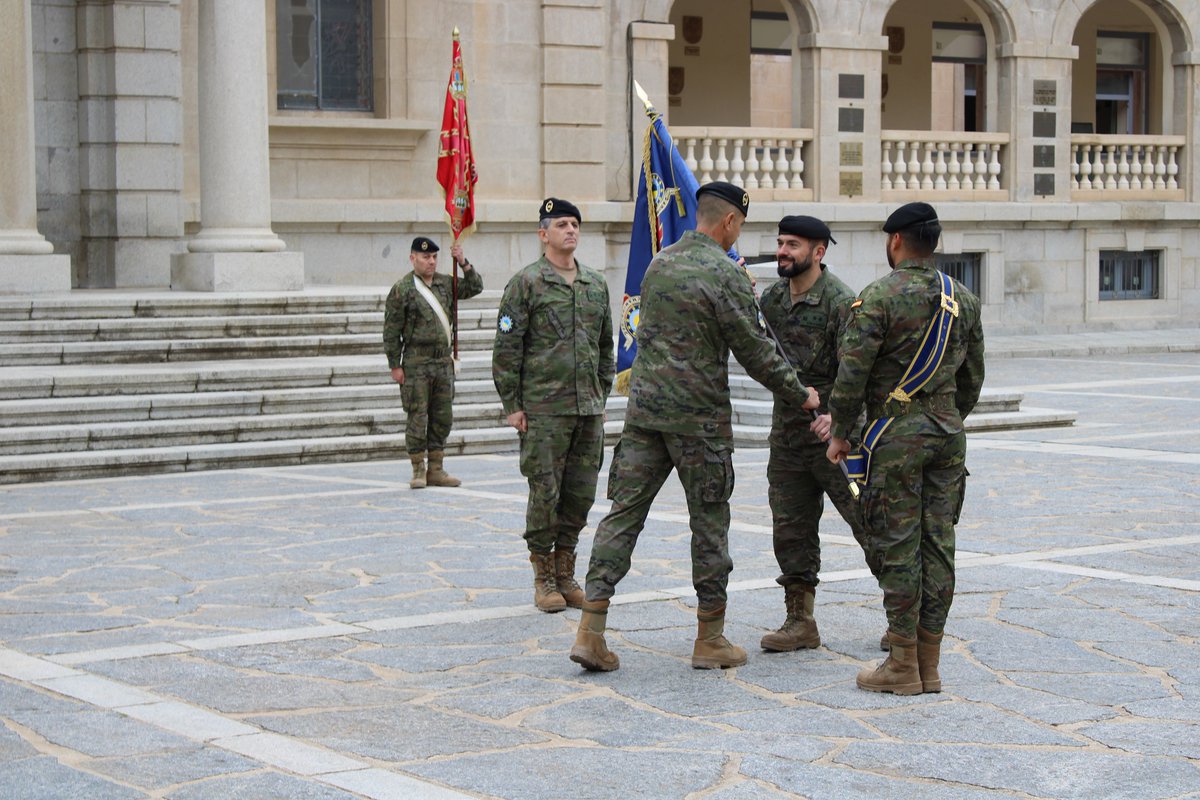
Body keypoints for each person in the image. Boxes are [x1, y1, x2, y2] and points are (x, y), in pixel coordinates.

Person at [569, 181, 820, 673]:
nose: (738, 237)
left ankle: (590, 632)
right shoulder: (723, 273)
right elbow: (754, 349)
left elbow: (646, 329)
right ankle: (711, 638)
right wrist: (801, 393)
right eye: (740, 228)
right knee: (709, 525)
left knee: (622, 516)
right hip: (698, 420)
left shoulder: (660, 262)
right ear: (728, 222)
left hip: (644, 415)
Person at [826, 201, 985, 695]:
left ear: (896, 241)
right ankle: (930, 664)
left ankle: (901, 663)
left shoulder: (878, 296)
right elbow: (973, 377)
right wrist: (944, 415)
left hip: (894, 437)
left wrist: (840, 434)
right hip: (947, 433)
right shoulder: (962, 297)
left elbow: (851, 374)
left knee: (898, 546)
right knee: (939, 545)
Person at [493, 198, 616, 613]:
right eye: (561, 224)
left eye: (575, 224)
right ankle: (543, 576)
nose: (571, 230)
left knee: (579, 494)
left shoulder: (595, 284)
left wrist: (600, 393)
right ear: (543, 233)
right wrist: (513, 404)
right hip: (543, 411)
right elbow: (507, 349)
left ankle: (566, 571)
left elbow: (605, 346)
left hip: (586, 410)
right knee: (545, 493)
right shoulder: (526, 283)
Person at [757, 215, 872, 653]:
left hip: (836, 441)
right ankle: (799, 620)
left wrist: (840, 418)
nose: (783, 251)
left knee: (869, 525)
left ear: (818, 252)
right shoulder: (770, 300)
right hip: (787, 440)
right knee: (790, 531)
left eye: (793, 245)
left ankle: (904, 616)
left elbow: (860, 371)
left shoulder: (842, 303)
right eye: (781, 243)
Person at [383, 236, 483, 489]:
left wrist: (463, 262)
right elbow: (391, 330)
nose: (431, 261)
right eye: (425, 257)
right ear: (413, 258)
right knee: (417, 416)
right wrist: (395, 365)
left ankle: (436, 468)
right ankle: (418, 468)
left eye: (434, 257)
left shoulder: (445, 283)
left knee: (442, 416)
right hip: (416, 362)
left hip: (442, 362)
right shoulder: (403, 288)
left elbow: (475, 287)